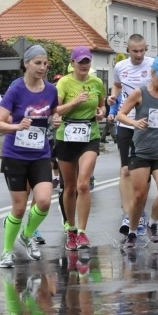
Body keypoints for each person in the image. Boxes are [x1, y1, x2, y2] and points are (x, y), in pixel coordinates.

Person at [0, 45, 58, 267]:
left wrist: (56, 119)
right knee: (19, 208)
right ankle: (6, 251)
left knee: (43, 201)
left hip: (40, 153)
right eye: (38, 63)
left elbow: (53, 112)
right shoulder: (16, 90)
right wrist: (17, 127)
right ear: (26, 64)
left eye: (45, 63)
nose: (42, 67)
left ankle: (27, 234)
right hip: (15, 155)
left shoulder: (51, 90)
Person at [115, 57, 158, 248]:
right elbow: (121, 114)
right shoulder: (139, 93)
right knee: (139, 196)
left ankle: (152, 224)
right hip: (141, 152)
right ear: (152, 74)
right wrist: (135, 123)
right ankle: (133, 232)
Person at [55, 46, 106, 251]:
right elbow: (56, 110)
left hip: (89, 136)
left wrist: (101, 112)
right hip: (66, 136)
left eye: (87, 61)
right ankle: (72, 230)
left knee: (83, 184)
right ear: (73, 63)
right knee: (70, 187)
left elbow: (102, 106)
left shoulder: (97, 83)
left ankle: (83, 232)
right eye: (80, 61)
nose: (84, 65)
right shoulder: (64, 83)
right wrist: (74, 102)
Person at [107, 34, 153, 237]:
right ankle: (129, 213)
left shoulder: (152, 65)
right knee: (126, 169)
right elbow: (117, 85)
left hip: (148, 124)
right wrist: (113, 96)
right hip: (126, 122)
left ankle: (140, 209)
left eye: (142, 50)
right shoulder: (120, 67)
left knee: (143, 172)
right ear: (128, 50)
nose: (139, 55)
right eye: (135, 51)